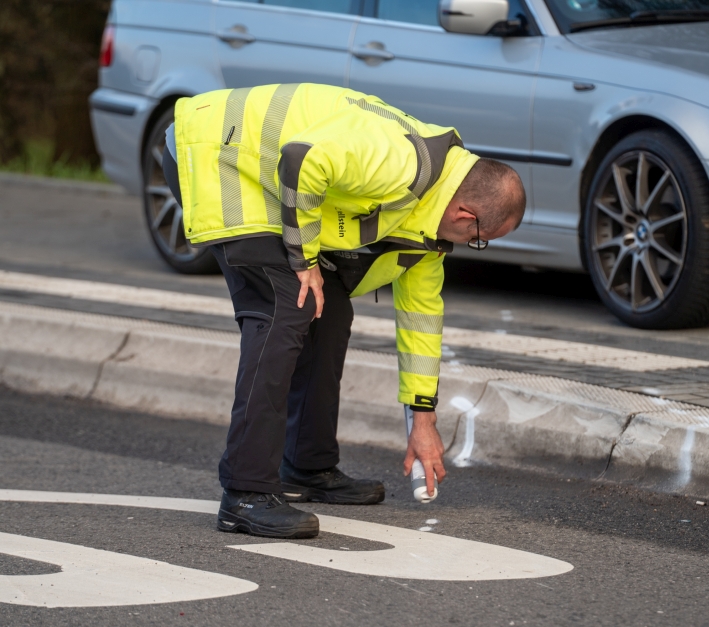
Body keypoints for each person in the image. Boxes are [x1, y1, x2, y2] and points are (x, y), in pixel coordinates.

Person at [163, 83, 526, 539]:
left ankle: (306, 467)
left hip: (266, 176)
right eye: (479, 238)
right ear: (464, 214)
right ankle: (245, 493)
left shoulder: (428, 225)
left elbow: (421, 322)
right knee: (285, 309)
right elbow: (301, 159)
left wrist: (424, 421)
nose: (475, 246)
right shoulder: (403, 163)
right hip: (217, 153)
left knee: (328, 311)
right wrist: (305, 260)